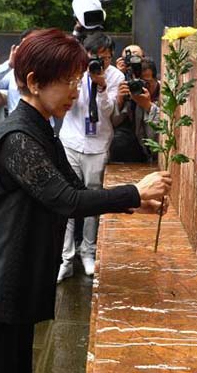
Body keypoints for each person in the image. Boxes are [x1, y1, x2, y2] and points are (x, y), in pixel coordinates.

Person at [0, 28, 171, 373]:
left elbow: (74, 189)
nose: (76, 90)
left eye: (79, 79)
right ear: (34, 82)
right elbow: (66, 200)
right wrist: (135, 192)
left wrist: (135, 202)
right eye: (68, 81)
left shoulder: (42, 128)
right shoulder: (18, 136)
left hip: (9, 283)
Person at [57, 31, 124, 281]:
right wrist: (78, 80)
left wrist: (103, 87)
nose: (99, 62)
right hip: (71, 141)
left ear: (111, 57)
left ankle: (88, 251)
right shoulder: (74, 71)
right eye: (94, 57)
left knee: (92, 200)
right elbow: (67, 104)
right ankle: (65, 257)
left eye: (105, 58)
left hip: (98, 145)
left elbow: (110, 113)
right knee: (65, 199)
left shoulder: (116, 76)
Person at [110, 56, 161, 163]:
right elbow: (113, 123)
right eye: (139, 83)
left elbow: (157, 139)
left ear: (156, 79)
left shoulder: (164, 93)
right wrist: (119, 100)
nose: (143, 88)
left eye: (147, 83)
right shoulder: (131, 93)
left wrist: (148, 106)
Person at [0, 29, 36, 115]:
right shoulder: (13, 72)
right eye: (24, 45)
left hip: (41, 123)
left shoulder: (50, 69)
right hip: (16, 123)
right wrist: (9, 65)